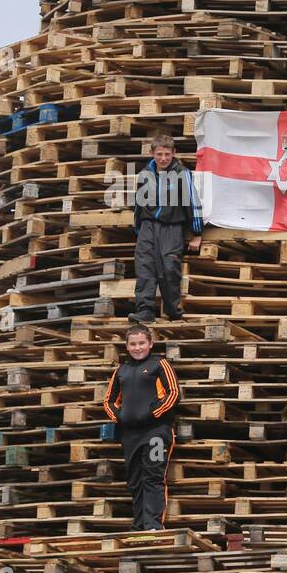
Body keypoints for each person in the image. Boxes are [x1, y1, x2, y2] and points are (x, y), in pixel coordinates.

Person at [101, 323, 180, 531]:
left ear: (150, 344)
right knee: (135, 479)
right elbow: (108, 400)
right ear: (127, 346)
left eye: (142, 343)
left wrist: (153, 414)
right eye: (133, 344)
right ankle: (138, 526)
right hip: (130, 435)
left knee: (153, 476)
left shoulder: (159, 364)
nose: (138, 348)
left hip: (156, 432)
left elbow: (173, 394)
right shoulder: (121, 370)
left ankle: (153, 525)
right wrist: (120, 417)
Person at [132, 134, 202, 322]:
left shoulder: (182, 173)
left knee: (169, 269)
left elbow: (192, 202)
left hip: (171, 228)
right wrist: (138, 230)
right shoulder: (145, 173)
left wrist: (197, 233)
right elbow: (138, 204)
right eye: (159, 154)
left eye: (167, 154)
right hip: (148, 228)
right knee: (144, 268)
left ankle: (172, 310)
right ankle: (144, 311)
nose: (163, 158)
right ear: (152, 153)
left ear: (174, 153)